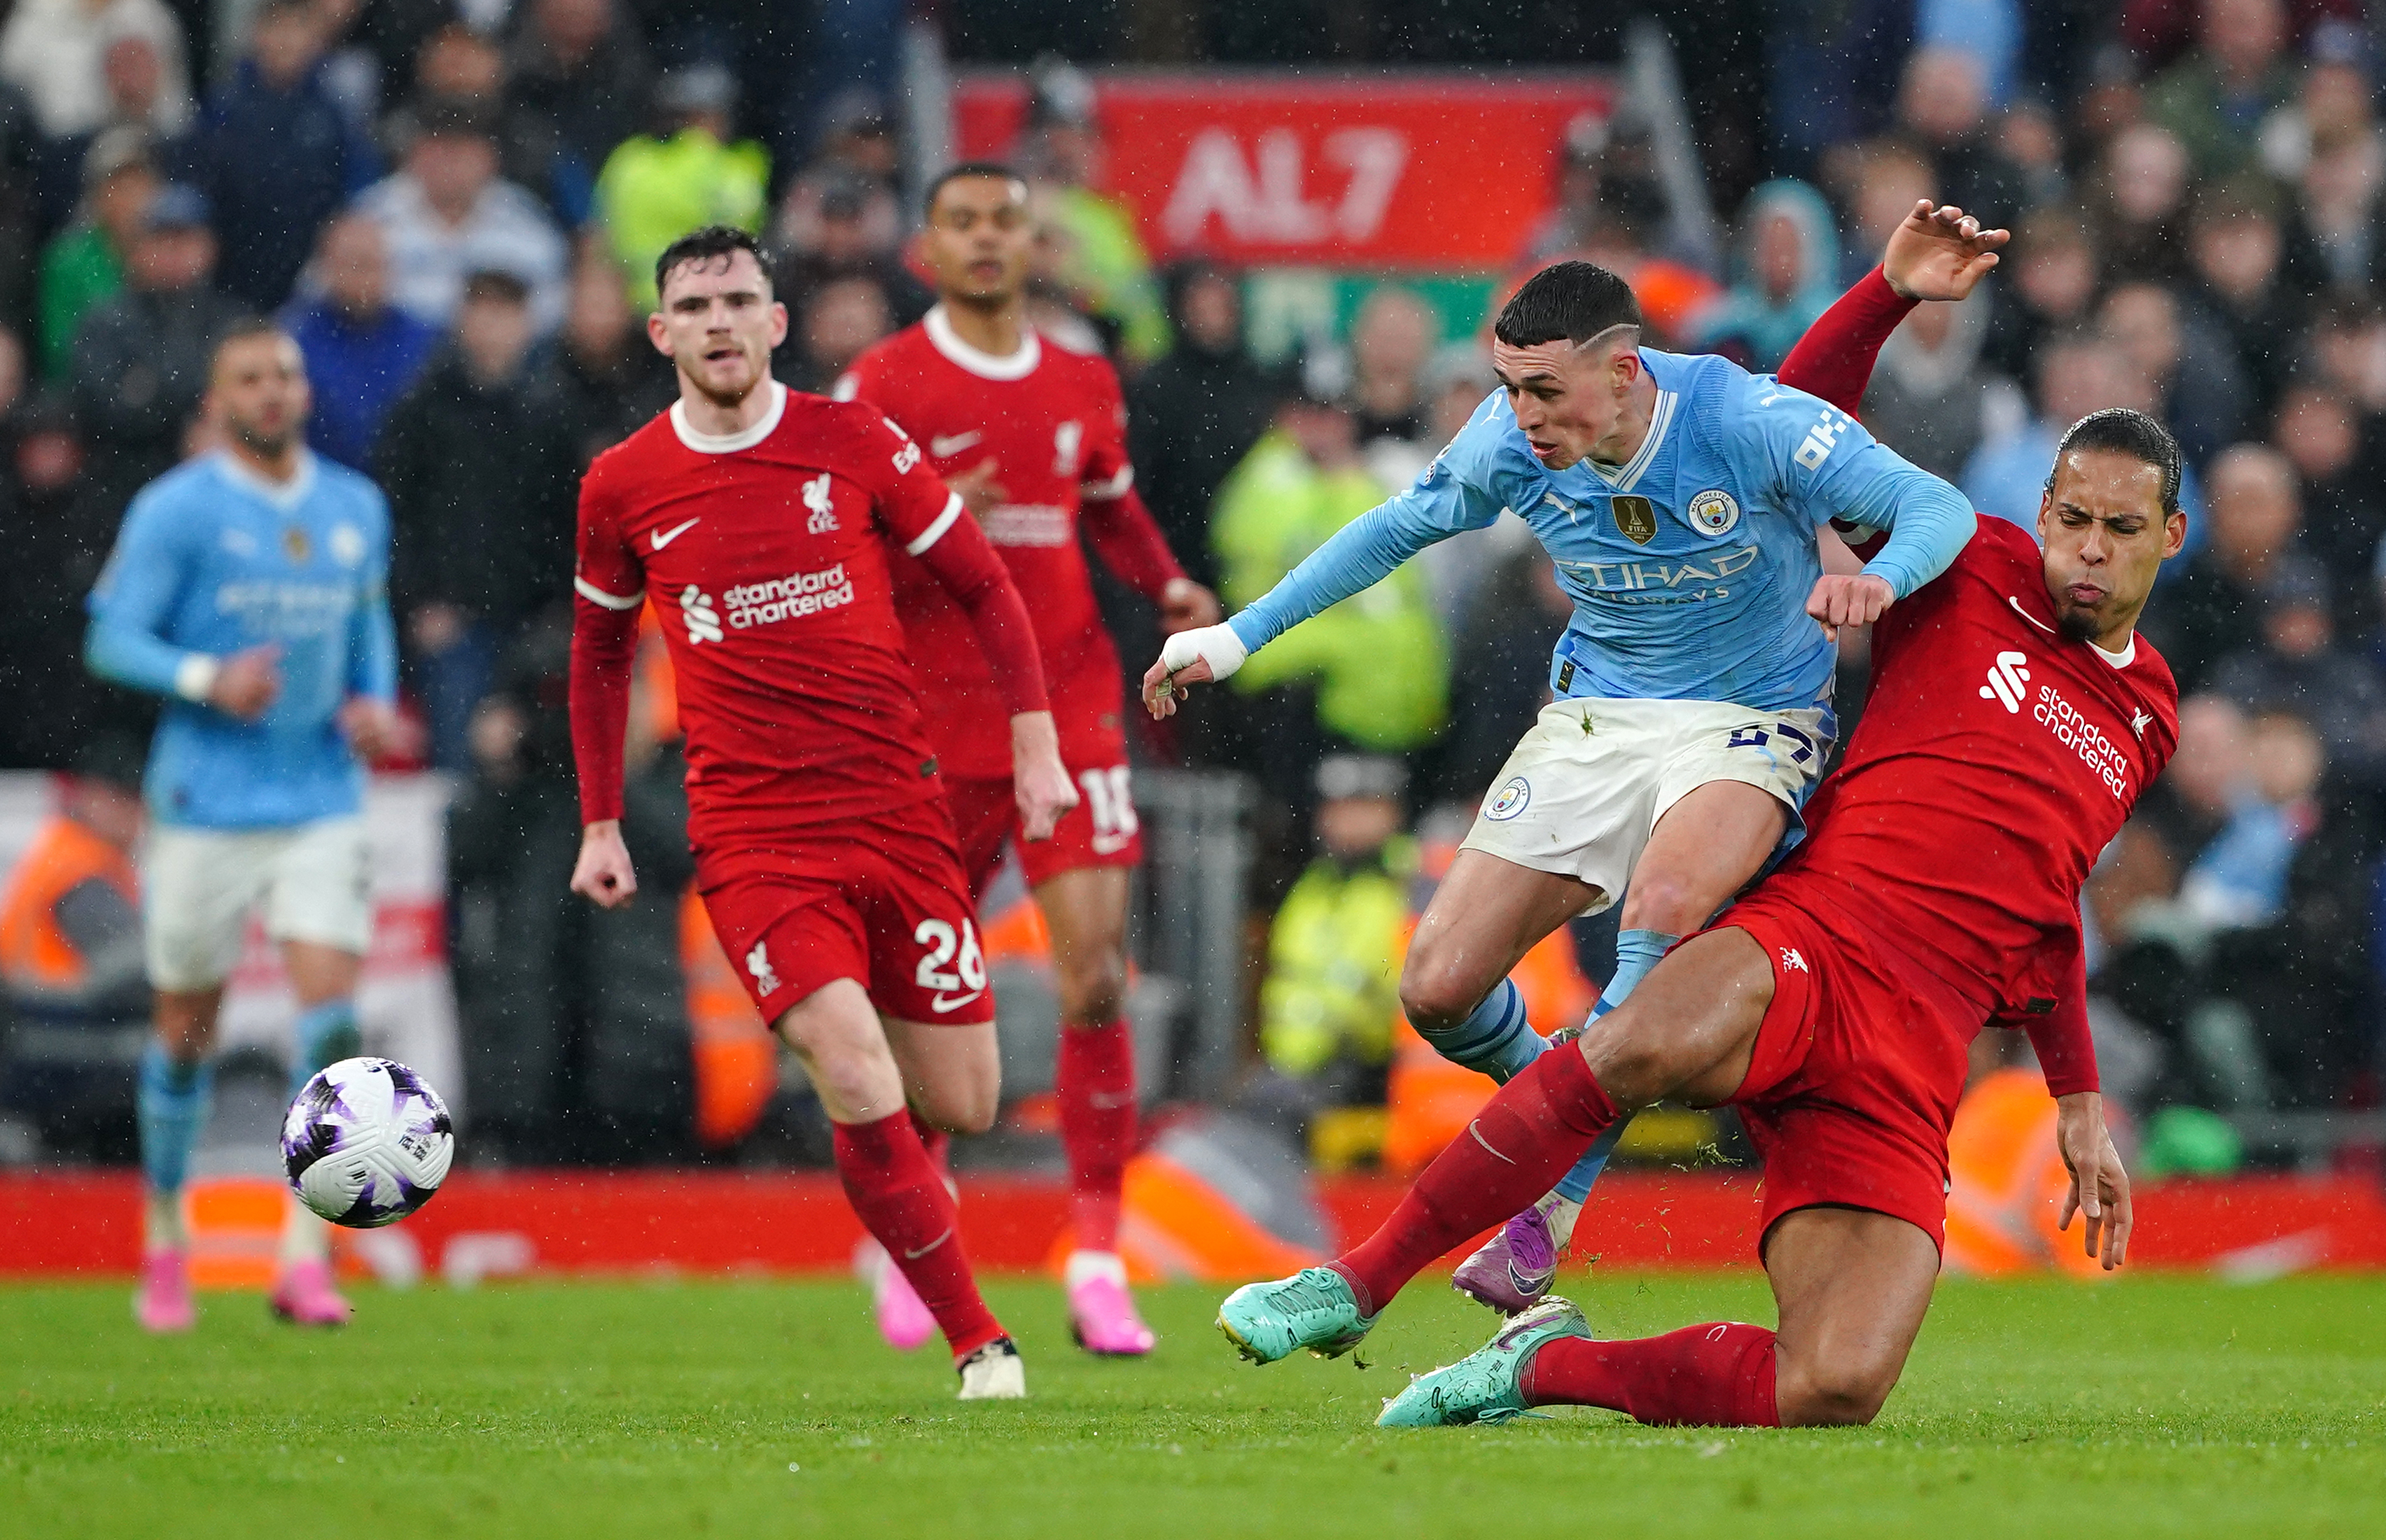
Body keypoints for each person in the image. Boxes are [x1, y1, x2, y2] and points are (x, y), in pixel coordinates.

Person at [1218, 294, 2177, 1432]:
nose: (2088, 549)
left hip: (1917, 1053)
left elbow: (2044, 898)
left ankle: (1538, 1368)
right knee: (1637, 1043)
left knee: (1834, 1384)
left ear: (2168, 536)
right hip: (1814, 939)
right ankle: (1355, 1284)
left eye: (2120, 530)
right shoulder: (1969, 565)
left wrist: (2075, 1101)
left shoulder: (2147, 713)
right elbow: (1804, 418)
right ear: (2042, 507)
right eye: (2072, 517)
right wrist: (1887, 291)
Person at [1148, 206, 1988, 1316]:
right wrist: (1237, 636)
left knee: (1669, 897)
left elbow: (1936, 506)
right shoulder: (1509, 443)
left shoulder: (1742, 416)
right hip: (1599, 718)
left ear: (1626, 371)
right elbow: (1393, 529)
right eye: (1509, 388)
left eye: (1545, 391)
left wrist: (1882, 582)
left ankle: (1552, 1205)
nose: (1521, 417)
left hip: (1753, 716)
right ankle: (1575, 1089)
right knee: (1438, 988)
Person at [567, 225, 1074, 1400]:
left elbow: (985, 589)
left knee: (965, 1101)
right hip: (755, 839)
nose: (719, 324)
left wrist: (1033, 743)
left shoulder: (854, 442)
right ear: (661, 334)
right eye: (693, 307)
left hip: (901, 817)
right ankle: (974, 1341)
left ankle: (905, 1192)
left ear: (776, 322)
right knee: (851, 1071)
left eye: (739, 300)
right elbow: (595, 657)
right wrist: (600, 821)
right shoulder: (624, 483)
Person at [834, 164, 1220, 1357]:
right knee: (924, 986)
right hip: (933, 721)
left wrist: (1165, 584)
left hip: (1070, 698)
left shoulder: (1081, 376)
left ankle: (1095, 1256)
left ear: (1033, 242)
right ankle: (919, 1233)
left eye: (1007, 221)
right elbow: (836, 545)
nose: (989, 240)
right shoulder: (881, 383)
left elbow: (1105, 501)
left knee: (1095, 972)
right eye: (964, 221)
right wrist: (929, 508)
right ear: (927, 246)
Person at [83, 318, 400, 1332]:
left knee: (334, 1019)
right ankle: (166, 1242)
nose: (273, 392)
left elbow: (370, 624)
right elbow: (111, 636)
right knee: (186, 1033)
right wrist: (203, 676)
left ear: (306, 394)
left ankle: (304, 1257)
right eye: (251, 378)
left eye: (286, 376)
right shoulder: (176, 510)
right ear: (219, 402)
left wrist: (375, 702)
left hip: (318, 796)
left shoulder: (355, 507)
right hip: (203, 804)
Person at [376, 269, 580, 771]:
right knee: (458, 777)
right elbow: (394, 515)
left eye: (505, 312)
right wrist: (418, 602)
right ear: (461, 320)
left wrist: (562, 609)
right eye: (481, 310)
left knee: (541, 769)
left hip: (536, 624)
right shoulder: (422, 409)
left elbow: (572, 519)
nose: (492, 326)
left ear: (527, 323)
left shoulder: (553, 413)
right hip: (455, 624)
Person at [0, 732, 148, 1159]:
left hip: (36, 1045)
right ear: (93, 798)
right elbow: (138, 978)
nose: (137, 817)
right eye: (127, 801)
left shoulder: (58, 849)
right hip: (61, 1055)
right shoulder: (81, 871)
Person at [186, 0, 381, 312]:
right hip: (235, 268)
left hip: (311, 276)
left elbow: (358, 189)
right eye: (277, 29)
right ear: (256, 36)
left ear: (315, 41)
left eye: (297, 30)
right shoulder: (222, 110)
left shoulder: (334, 112)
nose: (286, 41)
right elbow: (199, 188)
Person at [352, 100, 568, 333]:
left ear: (490, 158)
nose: (450, 163)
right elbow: (320, 300)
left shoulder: (526, 222)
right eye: (440, 147)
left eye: (462, 150)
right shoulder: (369, 217)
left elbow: (555, 311)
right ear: (414, 153)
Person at [281, 213, 438, 472]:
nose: (365, 277)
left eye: (373, 264)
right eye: (354, 264)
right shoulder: (292, 339)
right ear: (325, 268)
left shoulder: (426, 342)